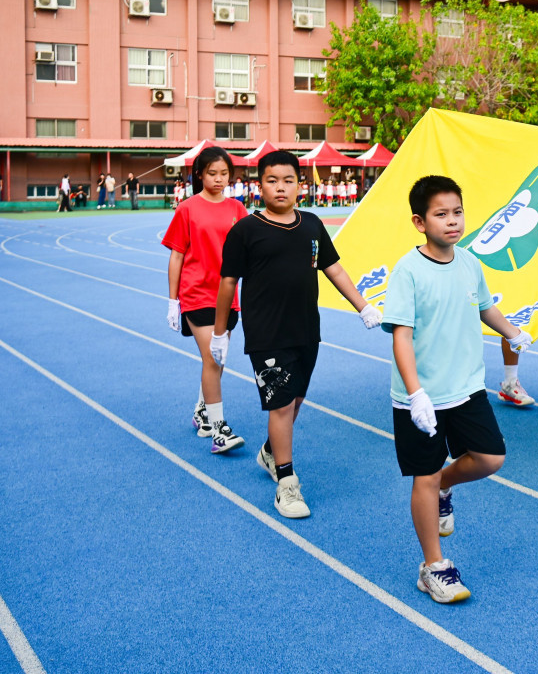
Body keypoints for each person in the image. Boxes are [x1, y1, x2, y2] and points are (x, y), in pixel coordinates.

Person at [382, 175, 532, 602]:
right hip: (422, 398)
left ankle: (444, 485)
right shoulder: (408, 271)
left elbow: (485, 306)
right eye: (441, 214)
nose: (452, 221)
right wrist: (415, 394)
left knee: (491, 458)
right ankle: (434, 566)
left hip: (466, 388)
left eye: (457, 212)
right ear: (419, 221)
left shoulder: (469, 262)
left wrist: (512, 331)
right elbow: (401, 337)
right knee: (422, 479)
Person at [213, 150, 382, 519]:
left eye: (288, 180)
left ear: (299, 185)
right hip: (267, 335)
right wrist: (220, 332)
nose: (280, 187)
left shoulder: (311, 224)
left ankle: (271, 452)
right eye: (272, 181)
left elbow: (334, 269)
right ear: (260, 185)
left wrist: (363, 306)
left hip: (307, 330)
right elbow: (228, 283)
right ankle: (286, 484)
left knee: (296, 401)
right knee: (282, 404)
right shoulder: (246, 231)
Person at [163, 147, 249, 455]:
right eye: (212, 173)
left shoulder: (237, 210)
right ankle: (218, 430)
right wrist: (173, 301)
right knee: (212, 359)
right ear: (199, 174)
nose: (219, 179)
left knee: (218, 359)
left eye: (224, 173)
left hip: (228, 297)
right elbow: (176, 255)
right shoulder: (187, 209)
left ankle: (202, 410)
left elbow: (248, 253)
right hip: (196, 293)